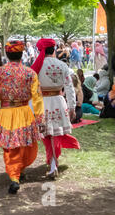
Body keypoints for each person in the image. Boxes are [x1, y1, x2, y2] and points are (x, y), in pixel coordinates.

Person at [0, 40, 44, 194]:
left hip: (6, 112)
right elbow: (37, 97)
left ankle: (14, 175)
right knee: (24, 143)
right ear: (21, 54)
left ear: (7, 54)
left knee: (10, 146)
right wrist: (40, 118)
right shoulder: (30, 73)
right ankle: (18, 172)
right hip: (24, 111)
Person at [31, 38, 80, 179]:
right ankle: (53, 163)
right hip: (58, 101)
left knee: (47, 133)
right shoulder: (62, 65)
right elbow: (70, 88)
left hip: (42, 103)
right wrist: (72, 107)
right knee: (55, 134)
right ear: (54, 49)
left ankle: (52, 162)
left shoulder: (37, 66)